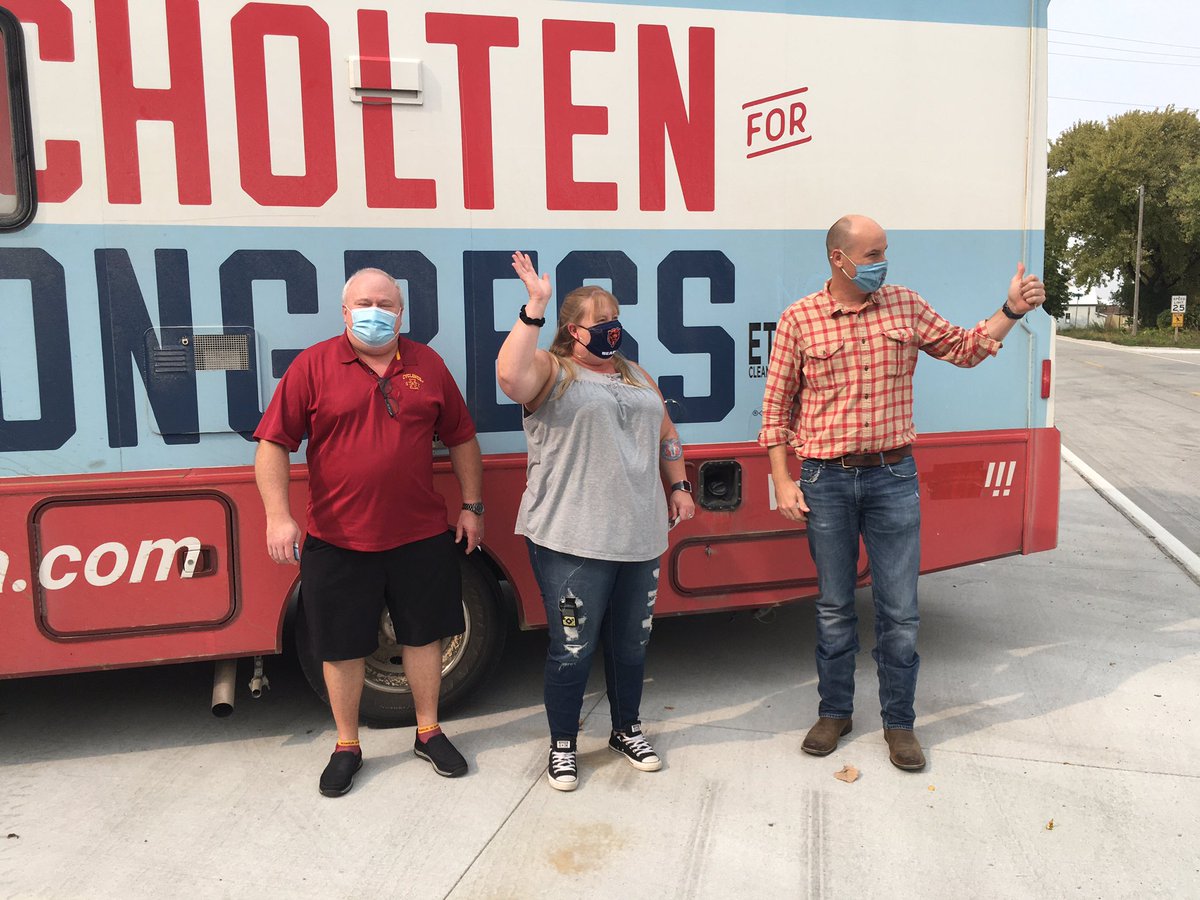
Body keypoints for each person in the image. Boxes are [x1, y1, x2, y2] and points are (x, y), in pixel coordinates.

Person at [759, 214, 1046, 771]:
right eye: (872, 255)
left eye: (884, 252)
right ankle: (834, 712)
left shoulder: (906, 306)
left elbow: (965, 349)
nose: (882, 264)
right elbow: (775, 408)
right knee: (834, 607)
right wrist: (782, 479)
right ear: (839, 259)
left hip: (892, 477)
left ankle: (899, 723)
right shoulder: (800, 319)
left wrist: (1010, 311)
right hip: (825, 480)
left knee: (899, 611)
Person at [253, 268, 484, 797]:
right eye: (363, 303)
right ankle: (347, 745)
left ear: (401, 313)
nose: (374, 312)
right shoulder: (312, 366)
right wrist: (277, 515)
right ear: (344, 312)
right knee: (341, 646)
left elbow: (462, 437)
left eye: (385, 303)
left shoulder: (428, 364)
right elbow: (273, 444)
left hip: (420, 534)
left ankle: (429, 732)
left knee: (424, 636)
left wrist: (473, 506)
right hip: (337, 538)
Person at [497, 252, 695, 792]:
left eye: (616, 318)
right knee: (572, 648)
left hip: (640, 535)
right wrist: (534, 306)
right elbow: (510, 376)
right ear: (573, 330)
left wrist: (679, 485)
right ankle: (563, 743)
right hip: (571, 537)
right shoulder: (553, 370)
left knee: (632, 646)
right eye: (600, 320)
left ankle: (626, 730)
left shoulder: (636, 374)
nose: (612, 328)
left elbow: (666, 433)